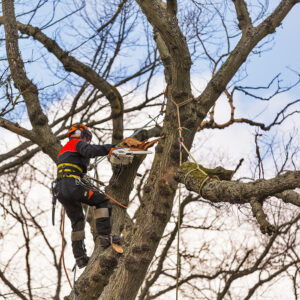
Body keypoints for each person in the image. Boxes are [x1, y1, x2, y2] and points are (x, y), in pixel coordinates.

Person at [55, 123, 120, 269]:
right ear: (81, 134)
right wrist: (110, 148)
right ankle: (104, 236)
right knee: (102, 200)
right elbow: (90, 151)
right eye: (86, 138)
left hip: (61, 190)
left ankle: (80, 257)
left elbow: (72, 164)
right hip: (73, 186)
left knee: (77, 222)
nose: (86, 141)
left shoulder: (63, 151)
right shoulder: (76, 143)